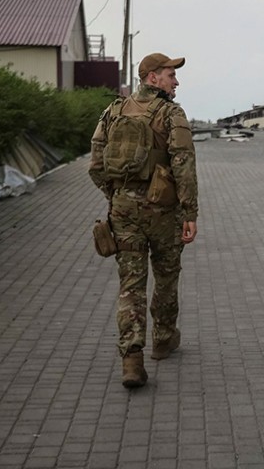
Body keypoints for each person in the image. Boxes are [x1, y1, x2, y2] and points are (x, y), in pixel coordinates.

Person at [89, 52, 199, 389]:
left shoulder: (113, 111)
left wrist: (118, 197)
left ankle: (131, 360)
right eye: (170, 75)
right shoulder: (171, 113)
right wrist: (190, 212)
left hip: (124, 211)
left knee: (131, 285)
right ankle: (163, 339)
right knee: (166, 275)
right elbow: (183, 166)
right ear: (152, 78)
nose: (176, 81)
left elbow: (96, 164)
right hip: (163, 212)